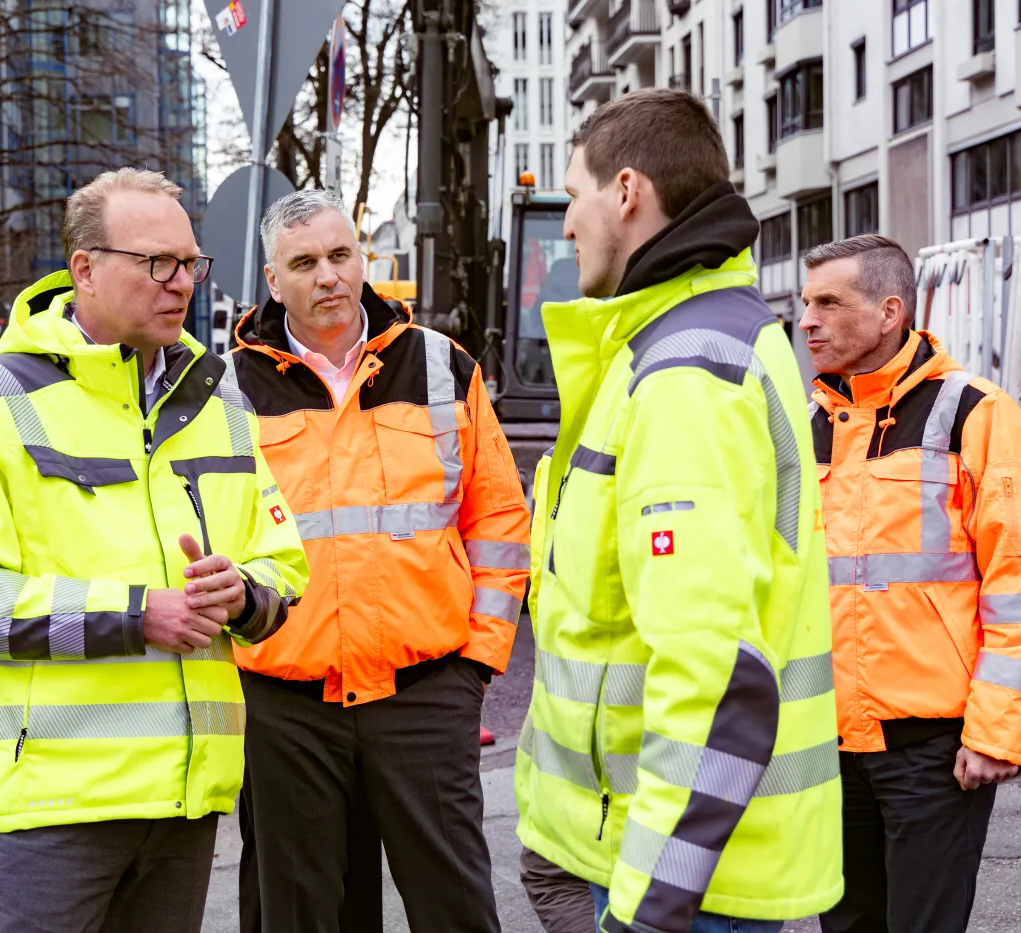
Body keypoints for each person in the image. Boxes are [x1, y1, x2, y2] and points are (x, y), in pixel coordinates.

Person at [0, 167, 309, 933]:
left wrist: (243, 594)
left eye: (190, 263)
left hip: (187, 799)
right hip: (59, 802)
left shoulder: (220, 402)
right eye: (156, 262)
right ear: (84, 269)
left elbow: (282, 564)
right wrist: (134, 615)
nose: (180, 283)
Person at [516, 87, 843, 933]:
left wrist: (651, 906)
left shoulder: (685, 372)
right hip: (689, 860)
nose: (568, 223)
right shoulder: (698, 339)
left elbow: (712, 669)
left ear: (626, 191)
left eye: (575, 195)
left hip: (682, 884)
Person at [227, 187, 530, 933]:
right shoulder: (228, 388)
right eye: (304, 262)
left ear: (363, 260)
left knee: (456, 910)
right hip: (286, 706)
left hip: (425, 692)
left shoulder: (443, 367)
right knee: (299, 915)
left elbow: (497, 520)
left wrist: (476, 664)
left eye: (340, 254)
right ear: (273, 281)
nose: (328, 275)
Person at [800, 234, 1021, 933]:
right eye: (806, 303)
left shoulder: (975, 412)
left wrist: (995, 731)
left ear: (890, 311)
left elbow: (1013, 580)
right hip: (829, 742)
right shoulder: (808, 426)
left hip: (934, 750)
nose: (807, 321)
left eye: (829, 303)